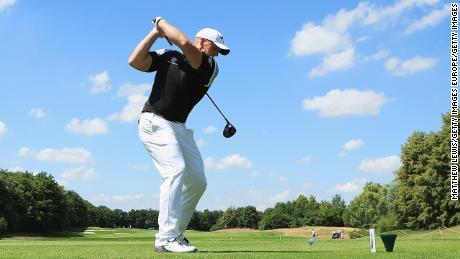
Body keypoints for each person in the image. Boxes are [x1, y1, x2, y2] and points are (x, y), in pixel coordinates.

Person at [128, 17, 230, 253]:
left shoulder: (209, 66)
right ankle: (165, 239)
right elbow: (134, 61)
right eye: (214, 48)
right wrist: (154, 33)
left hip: (178, 128)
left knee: (197, 182)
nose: (215, 54)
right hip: (154, 121)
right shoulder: (167, 55)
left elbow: (183, 41)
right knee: (175, 170)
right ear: (203, 42)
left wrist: (161, 22)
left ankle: (176, 234)